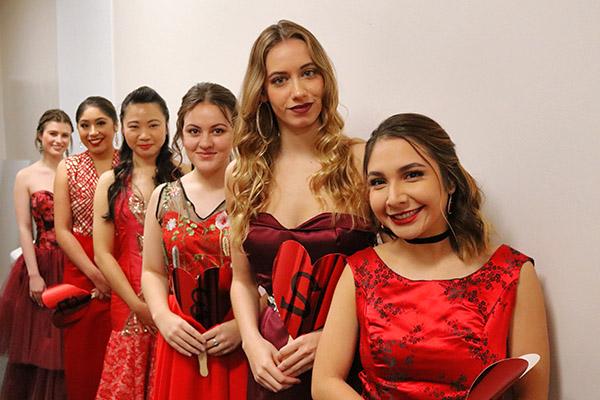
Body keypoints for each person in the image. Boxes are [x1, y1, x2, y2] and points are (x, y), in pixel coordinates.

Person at [312, 113, 550, 399]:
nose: (394, 197)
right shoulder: (360, 270)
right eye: (378, 182)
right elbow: (324, 383)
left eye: (412, 175)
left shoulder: (512, 273)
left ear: (450, 180)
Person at [227, 20, 375, 399]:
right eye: (280, 80)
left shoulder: (359, 160)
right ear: (262, 92)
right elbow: (242, 280)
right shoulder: (242, 174)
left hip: (348, 364)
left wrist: (333, 337)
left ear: (324, 78)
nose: (298, 92)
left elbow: (391, 278)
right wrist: (252, 343)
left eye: (308, 73)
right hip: (272, 365)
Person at [142, 82, 248, 399]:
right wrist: (163, 318)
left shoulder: (253, 194)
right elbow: (153, 271)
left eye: (217, 130)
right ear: (181, 135)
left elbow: (265, 278)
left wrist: (243, 328)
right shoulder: (163, 196)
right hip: (179, 339)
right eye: (193, 131)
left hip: (238, 341)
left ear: (236, 132)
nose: (205, 143)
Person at [93, 86, 182, 399]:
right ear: (122, 129)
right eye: (134, 126)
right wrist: (135, 303)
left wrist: (160, 306)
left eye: (153, 124)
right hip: (128, 302)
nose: (144, 134)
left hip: (175, 304)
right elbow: (102, 253)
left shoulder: (182, 176)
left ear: (167, 126)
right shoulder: (110, 181)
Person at [0, 109, 72, 400]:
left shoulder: (76, 171)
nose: (58, 139)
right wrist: (33, 275)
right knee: (41, 343)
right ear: (40, 136)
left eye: (65, 135)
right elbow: (23, 226)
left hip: (72, 263)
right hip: (40, 263)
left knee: (68, 342)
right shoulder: (26, 176)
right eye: (53, 133)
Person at [54, 96, 119, 400]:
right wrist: (95, 274)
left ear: (115, 126)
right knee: (83, 358)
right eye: (85, 125)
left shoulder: (129, 164)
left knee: (121, 355)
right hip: (81, 270)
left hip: (123, 264)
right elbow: (62, 230)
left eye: (101, 123)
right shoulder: (68, 167)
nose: (93, 131)